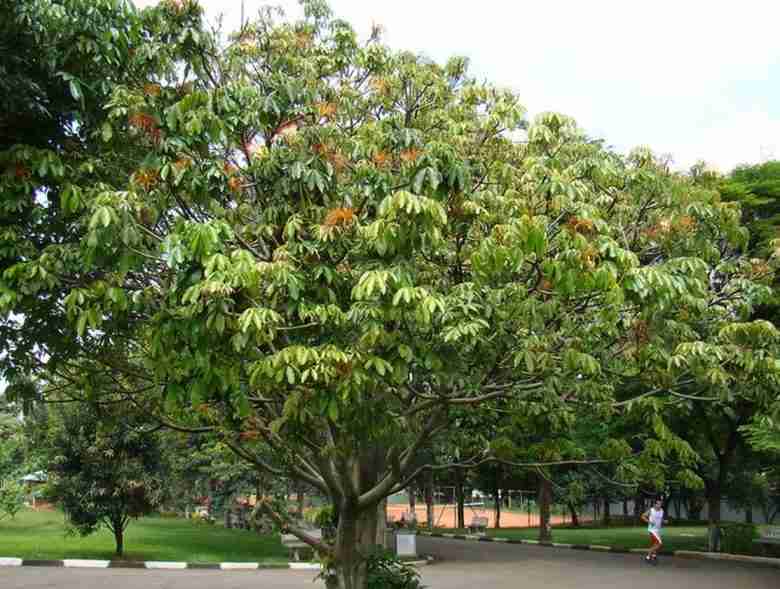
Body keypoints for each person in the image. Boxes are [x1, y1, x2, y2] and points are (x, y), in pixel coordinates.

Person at [641, 498, 666, 563]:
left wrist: (664, 521)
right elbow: (643, 516)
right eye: (658, 504)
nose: (659, 505)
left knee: (655, 543)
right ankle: (648, 556)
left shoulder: (662, 511)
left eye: (660, 504)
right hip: (652, 530)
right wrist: (649, 522)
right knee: (659, 543)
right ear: (654, 504)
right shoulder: (651, 510)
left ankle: (654, 555)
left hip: (658, 530)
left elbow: (661, 519)